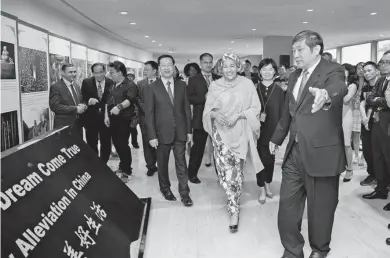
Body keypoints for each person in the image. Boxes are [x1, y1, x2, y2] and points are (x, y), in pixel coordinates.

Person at [270, 30, 347, 258]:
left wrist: (325, 94)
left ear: (316, 50)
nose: (295, 55)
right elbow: (289, 112)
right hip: (294, 151)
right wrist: (277, 137)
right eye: (293, 50)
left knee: (320, 208)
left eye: (300, 49)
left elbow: (338, 88)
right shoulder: (295, 76)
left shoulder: (333, 70)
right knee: (287, 206)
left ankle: (319, 249)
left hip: (322, 153)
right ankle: (292, 250)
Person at [203, 52, 263, 233]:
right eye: (225, 66)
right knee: (225, 174)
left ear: (238, 67)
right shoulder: (214, 86)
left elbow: (255, 108)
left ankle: (234, 210)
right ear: (220, 68)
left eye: (232, 66)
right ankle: (233, 199)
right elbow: (207, 111)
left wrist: (238, 115)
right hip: (221, 135)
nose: (228, 70)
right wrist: (215, 114)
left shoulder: (247, 84)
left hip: (240, 133)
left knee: (234, 174)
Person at [144, 54, 193, 207]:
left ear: (174, 67)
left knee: (182, 164)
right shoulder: (151, 87)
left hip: (180, 132)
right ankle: (165, 189)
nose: (166, 68)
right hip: (161, 134)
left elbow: (186, 109)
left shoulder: (181, 85)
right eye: (163, 65)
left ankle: (185, 193)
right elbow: (149, 114)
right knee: (162, 165)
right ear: (159, 68)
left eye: (169, 65)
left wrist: (189, 131)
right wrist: (151, 136)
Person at [187, 53, 221, 184]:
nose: (208, 65)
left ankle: (221, 175)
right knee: (198, 149)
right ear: (200, 63)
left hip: (217, 120)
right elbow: (189, 98)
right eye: (205, 62)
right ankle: (192, 174)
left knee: (219, 150)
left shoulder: (218, 79)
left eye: (210, 62)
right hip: (200, 119)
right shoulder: (193, 79)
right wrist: (205, 98)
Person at [363, 50, 390, 212]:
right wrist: (381, 101)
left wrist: (378, 102)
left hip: (388, 126)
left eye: (388, 62)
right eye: (383, 62)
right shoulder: (381, 80)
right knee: (377, 157)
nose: (385, 65)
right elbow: (369, 98)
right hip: (378, 124)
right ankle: (380, 189)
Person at [255, 58, 285, 204]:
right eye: (264, 69)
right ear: (259, 72)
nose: (267, 72)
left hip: (273, 131)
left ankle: (268, 184)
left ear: (275, 72)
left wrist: (279, 136)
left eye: (270, 69)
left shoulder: (280, 91)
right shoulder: (253, 89)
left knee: (270, 160)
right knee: (259, 160)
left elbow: (283, 115)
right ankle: (261, 188)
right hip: (256, 132)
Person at [104, 61, 138, 183]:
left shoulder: (130, 85)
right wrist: (106, 116)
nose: (109, 74)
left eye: (112, 72)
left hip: (124, 118)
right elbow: (107, 102)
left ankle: (127, 171)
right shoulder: (112, 85)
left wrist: (118, 107)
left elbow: (130, 100)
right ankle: (121, 166)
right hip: (112, 118)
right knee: (117, 144)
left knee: (123, 144)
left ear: (119, 72)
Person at [81, 63, 113, 164]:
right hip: (91, 119)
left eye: (101, 72)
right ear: (92, 73)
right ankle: (94, 164)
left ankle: (103, 164)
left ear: (105, 71)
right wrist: (88, 100)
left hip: (106, 119)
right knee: (91, 143)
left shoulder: (111, 82)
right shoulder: (86, 82)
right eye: (96, 73)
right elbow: (83, 98)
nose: (98, 75)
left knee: (106, 143)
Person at [49, 63, 87, 136]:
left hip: (78, 126)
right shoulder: (56, 87)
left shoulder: (76, 86)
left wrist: (84, 106)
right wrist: (75, 109)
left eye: (74, 72)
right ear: (62, 73)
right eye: (70, 72)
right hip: (64, 127)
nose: (73, 74)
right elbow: (55, 106)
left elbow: (81, 100)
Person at [137, 60, 159, 176]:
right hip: (144, 118)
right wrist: (146, 108)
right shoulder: (140, 84)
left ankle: (160, 163)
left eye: (147, 69)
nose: (144, 71)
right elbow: (137, 99)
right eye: (144, 69)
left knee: (160, 142)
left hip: (160, 118)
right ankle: (150, 166)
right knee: (146, 142)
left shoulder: (162, 83)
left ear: (155, 71)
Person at [341, 63, 358, 182]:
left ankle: (350, 169)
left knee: (347, 143)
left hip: (346, 116)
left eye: (343, 70)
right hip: (335, 115)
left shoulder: (352, 86)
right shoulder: (337, 84)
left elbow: (346, 100)